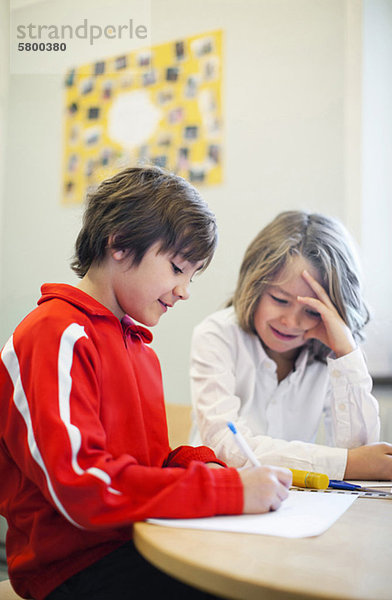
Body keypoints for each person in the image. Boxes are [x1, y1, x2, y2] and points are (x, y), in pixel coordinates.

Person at [0, 167, 292, 600]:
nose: (184, 290)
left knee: (258, 564)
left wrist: (203, 465)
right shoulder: (56, 334)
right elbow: (84, 486)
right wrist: (226, 490)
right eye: (177, 268)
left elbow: (144, 466)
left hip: (134, 542)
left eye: (191, 276)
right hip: (70, 568)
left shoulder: (139, 348)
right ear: (118, 244)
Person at [190, 210, 392, 481]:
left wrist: (345, 353)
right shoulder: (217, 334)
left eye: (312, 310)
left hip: (293, 502)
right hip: (219, 491)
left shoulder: (331, 350)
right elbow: (224, 447)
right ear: (254, 287)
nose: (291, 321)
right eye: (279, 299)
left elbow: (362, 455)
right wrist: (346, 464)